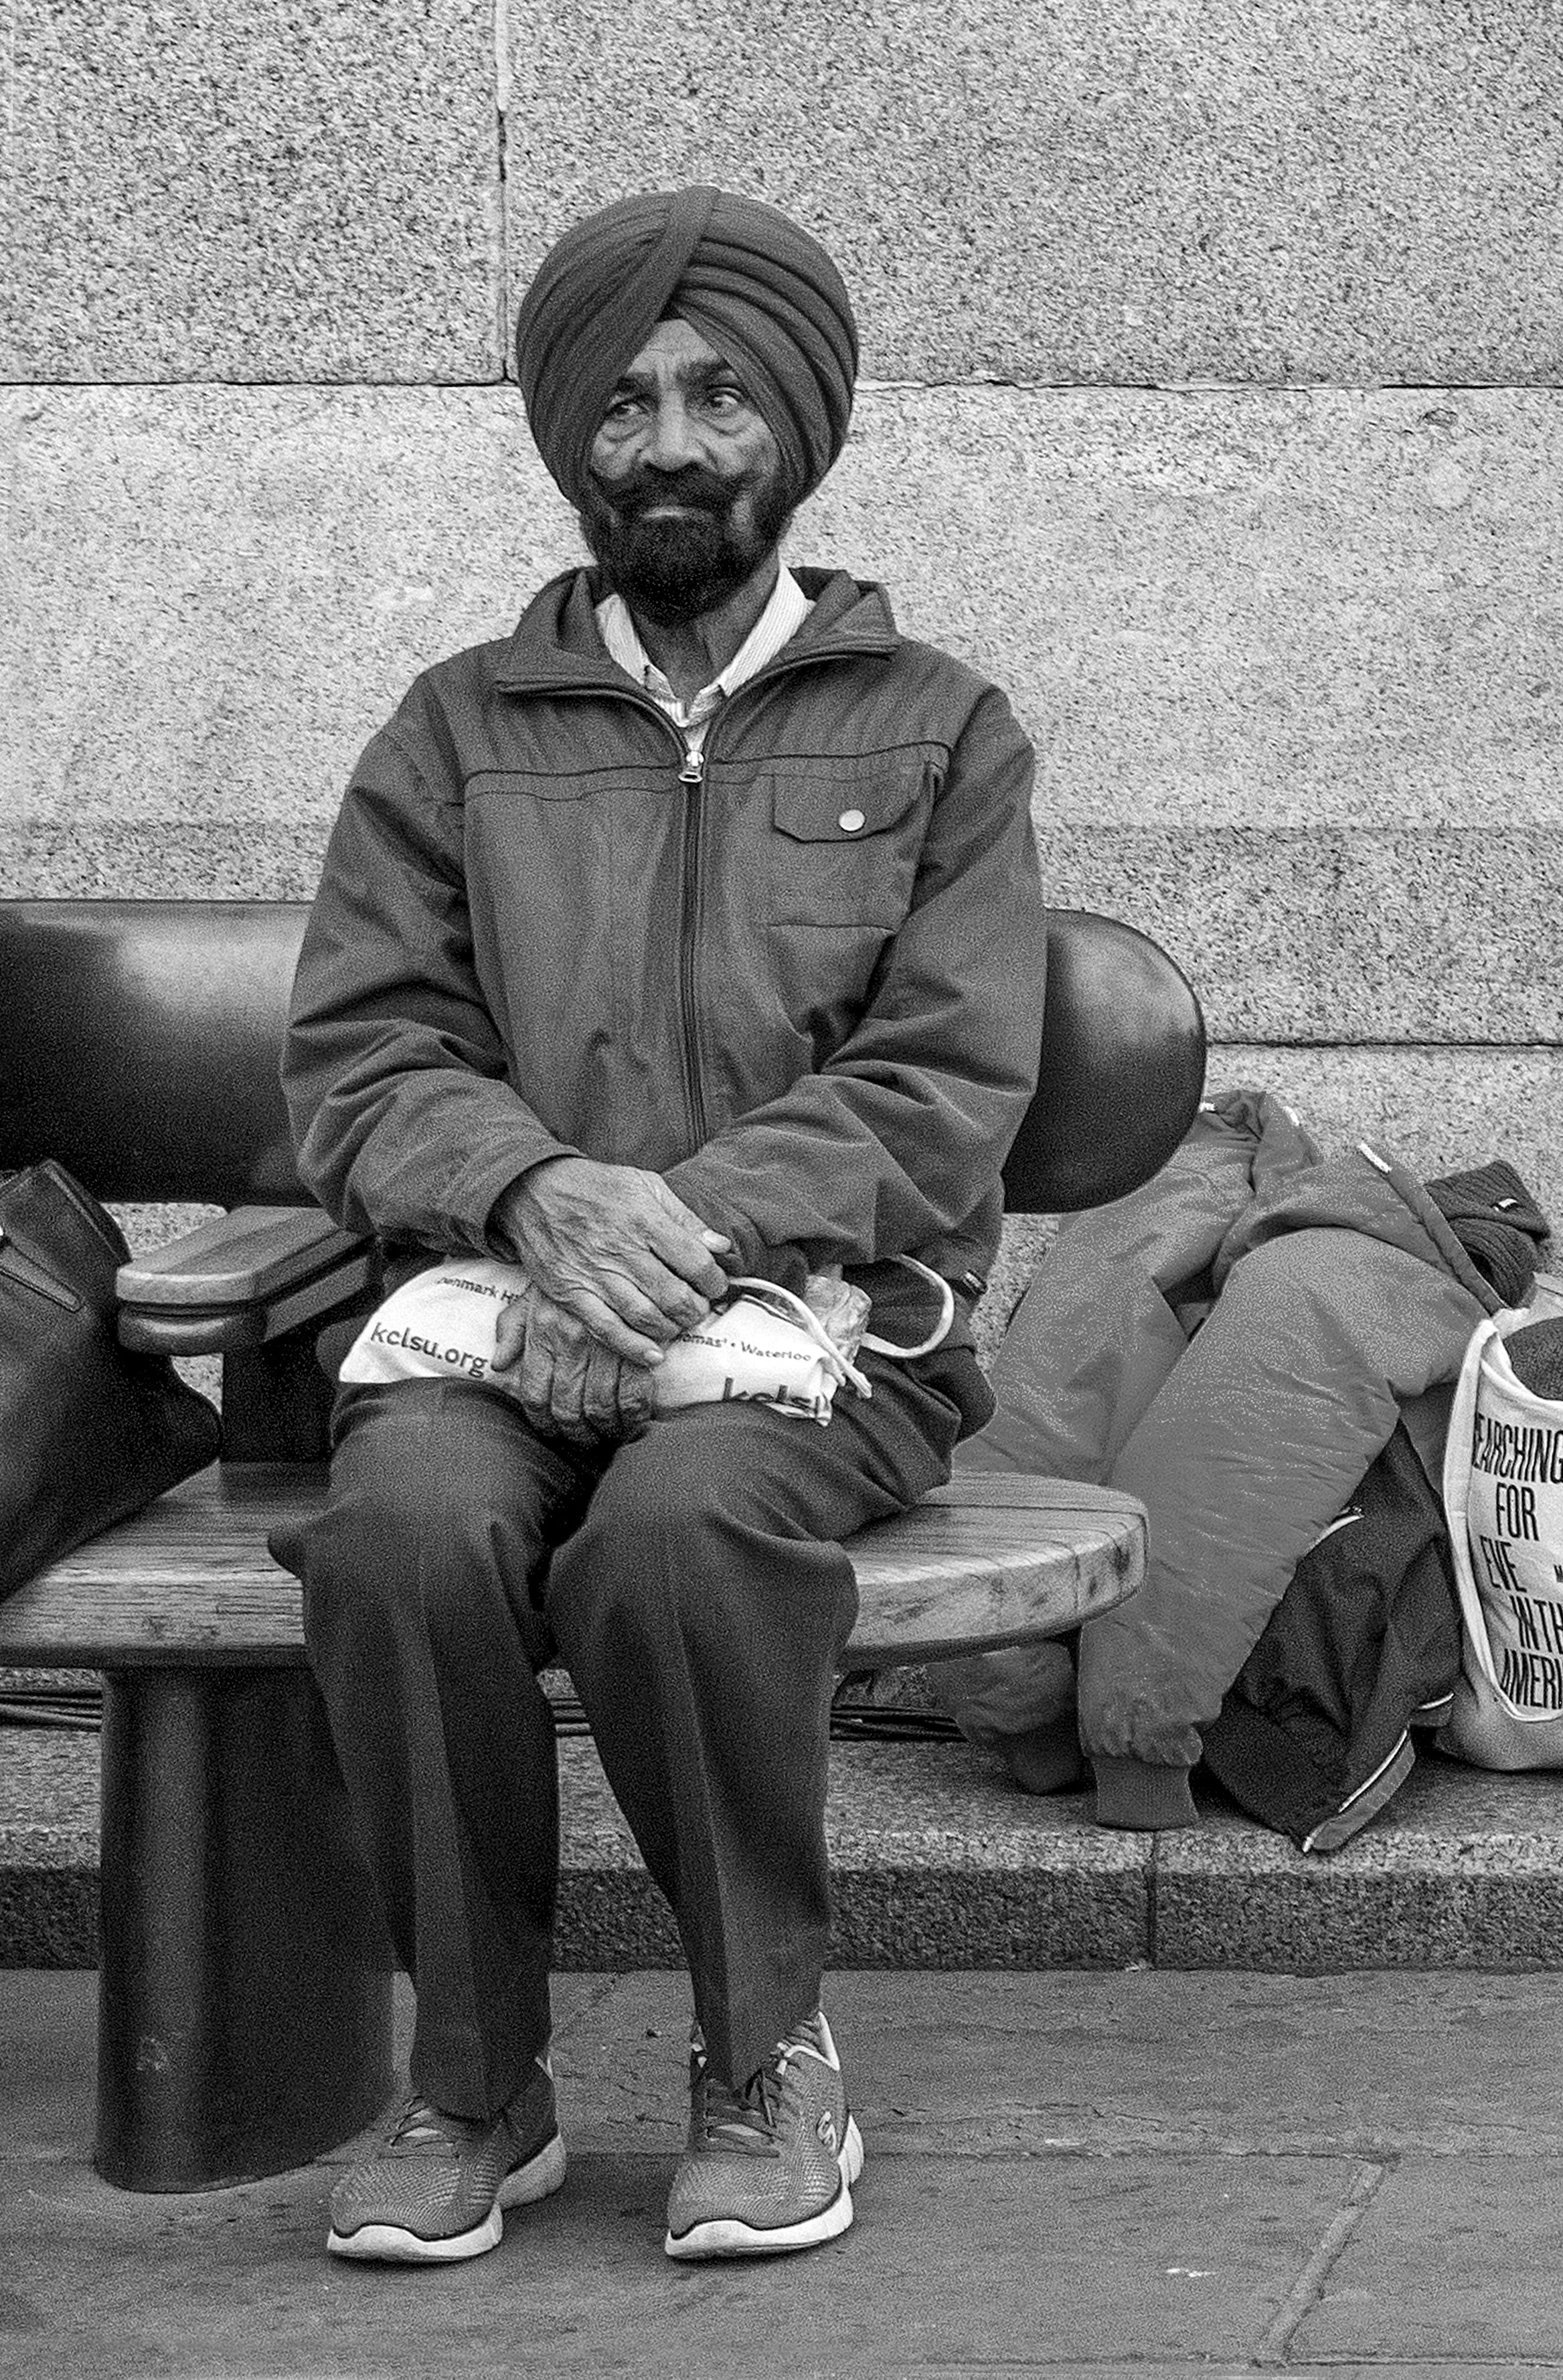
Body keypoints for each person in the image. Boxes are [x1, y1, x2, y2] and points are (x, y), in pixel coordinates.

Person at [272, 186, 1046, 2264]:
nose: (673, 446)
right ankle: (473, 2073)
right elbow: (364, 1053)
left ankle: (761, 2054)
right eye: (622, 406)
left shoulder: (940, 728)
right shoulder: (456, 728)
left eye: (717, 396)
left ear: (796, 424)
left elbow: (948, 1076)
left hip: (827, 1341)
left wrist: (673, 1231)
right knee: (405, 1532)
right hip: (498, 1315)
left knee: (682, 1534)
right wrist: (534, 1194)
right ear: (566, 438)